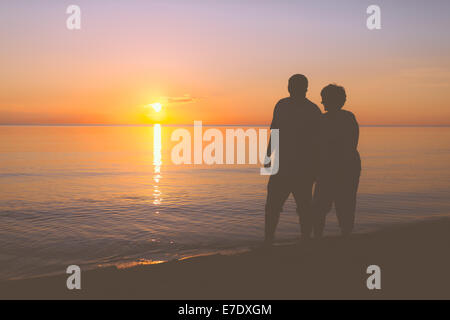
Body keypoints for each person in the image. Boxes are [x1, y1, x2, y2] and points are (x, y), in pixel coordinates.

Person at [264, 74, 321, 245]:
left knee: (302, 206)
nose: (291, 88)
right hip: (283, 166)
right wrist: (268, 157)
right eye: (291, 85)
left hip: (302, 168)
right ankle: (269, 240)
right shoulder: (283, 105)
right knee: (274, 206)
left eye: (294, 85)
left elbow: (317, 141)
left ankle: (304, 238)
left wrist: (316, 169)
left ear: (305, 88)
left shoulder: (312, 110)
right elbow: (275, 132)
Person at [312, 84, 361, 238]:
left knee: (323, 206)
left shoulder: (325, 120)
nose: (322, 102)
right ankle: (343, 235)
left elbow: (318, 145)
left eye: (324, 99)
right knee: (344, 204)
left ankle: (320, 237)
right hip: (345, 167)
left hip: (337, 168)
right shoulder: (348, 117)